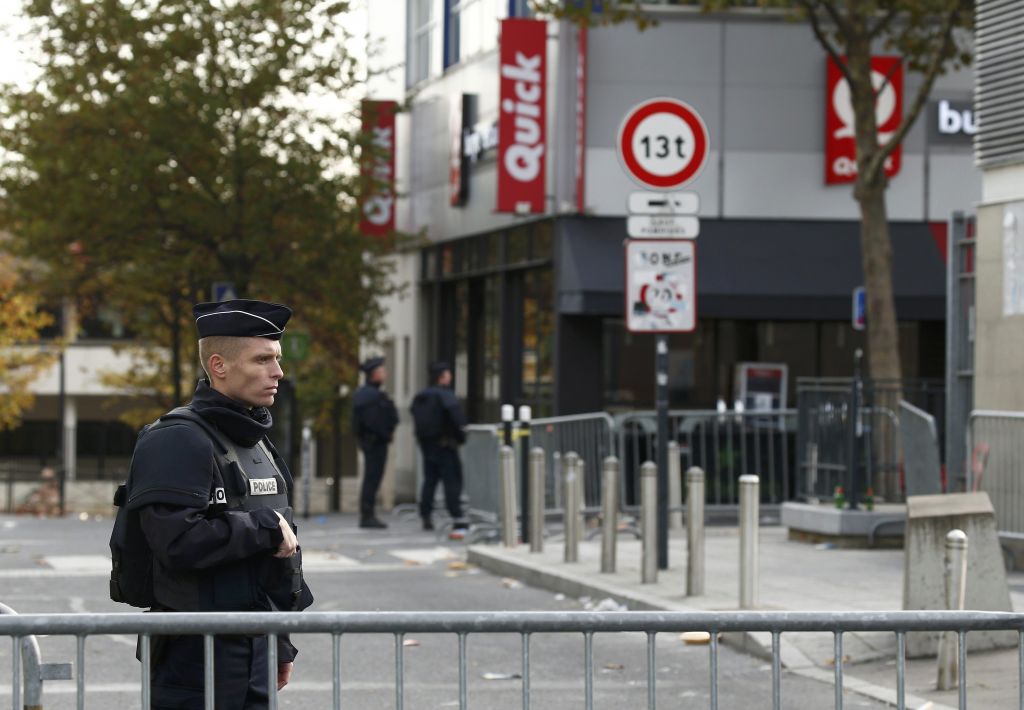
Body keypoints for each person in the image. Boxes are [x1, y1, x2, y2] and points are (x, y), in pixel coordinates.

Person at [125, 299, 313, 710]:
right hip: (194, 652)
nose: (278, 372)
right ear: (219, 365)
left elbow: (276, 558)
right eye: (262, 359)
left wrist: (279, 641)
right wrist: (263, 528)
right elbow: (177, 541)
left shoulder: (255, 441)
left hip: (255, 645)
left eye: (277, 359)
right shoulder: (176, 439)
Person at [411, 361, 468, 532]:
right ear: (441, 377)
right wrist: (461, 436)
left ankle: (426, 515)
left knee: (430, 481)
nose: (450, 377)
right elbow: (457, 418)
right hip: (445, 445)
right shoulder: (445, 395)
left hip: (427, 445)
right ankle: (457, 515)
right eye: (448, 374)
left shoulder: (421, 396)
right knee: (452, 481)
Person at [351, 355, 399, 529]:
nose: (384, 374)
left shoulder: (372, 394)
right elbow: (373, 422)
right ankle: (367, 515)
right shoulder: (369, 396)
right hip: (374, 443)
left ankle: (368, 514)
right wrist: (385, 433)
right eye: (381, 371)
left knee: (373, 478)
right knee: (372, 479)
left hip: (375, 442)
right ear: (374, 374)